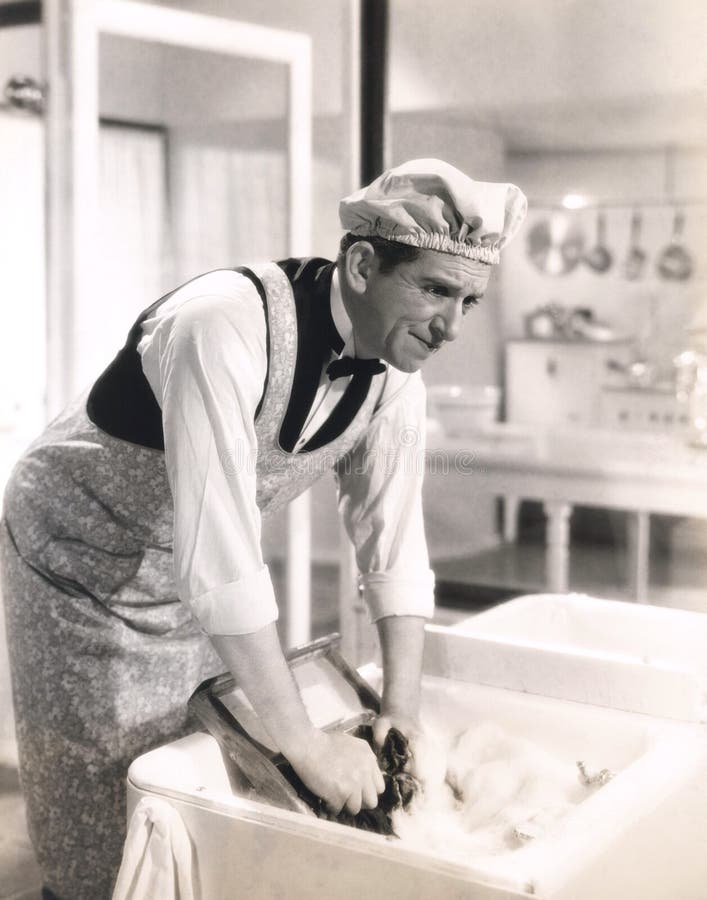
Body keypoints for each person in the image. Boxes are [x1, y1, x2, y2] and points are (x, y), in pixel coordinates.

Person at [0, 158, 527, 899]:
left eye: (469, 300)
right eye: (435, 290)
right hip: (79, 562)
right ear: (363, 265)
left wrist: (401, 710)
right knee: (107, 797)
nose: (452, 327)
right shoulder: (219, 324)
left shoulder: (396, 378)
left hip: (188, 573)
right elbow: (220, 556)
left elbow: (394, 544)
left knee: (199, 777)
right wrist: (305, 743)